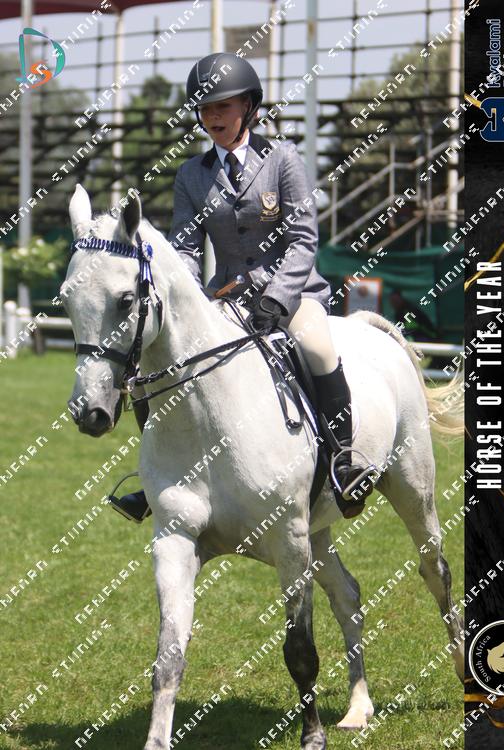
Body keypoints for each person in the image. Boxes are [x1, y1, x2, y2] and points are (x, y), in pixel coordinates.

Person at [112, 53, 375, 523]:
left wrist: (277, 298)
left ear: (249, 107)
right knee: (160, 363)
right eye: (205, 108)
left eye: (223, 106)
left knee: (317, 349)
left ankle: (343, 460)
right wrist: (188, 295)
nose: (213, 117)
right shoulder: (191, 175)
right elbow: (185, 247)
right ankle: (158, 478)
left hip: (293, 295)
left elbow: (302, 240)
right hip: (227, 298)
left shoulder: (282, 159)